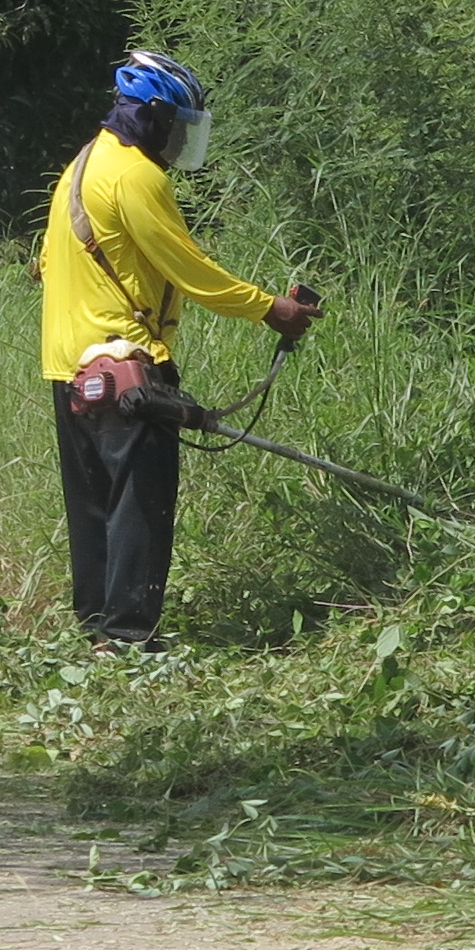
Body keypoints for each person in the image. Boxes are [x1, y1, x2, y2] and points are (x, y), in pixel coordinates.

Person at [38, 51, 319, 652]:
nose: (180, 139)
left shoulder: (82, 165)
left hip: (69, 367)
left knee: (93, 507)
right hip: (127, 366)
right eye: (178, 124)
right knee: (140, 504)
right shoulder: (138, 175)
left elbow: (44, 265)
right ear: (155, 116)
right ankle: (132, 638)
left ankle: (98, 636)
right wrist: (275, 309)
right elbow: (191, 270)